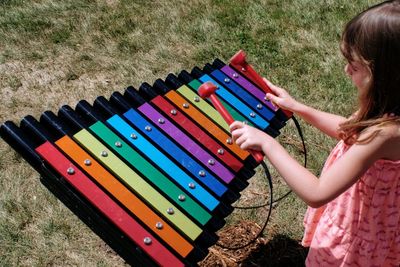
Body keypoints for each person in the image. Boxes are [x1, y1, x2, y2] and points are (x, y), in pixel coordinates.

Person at [230, 1, 400, 266]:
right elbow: (350, 130)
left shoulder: (386, 133)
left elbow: (318, 192)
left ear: (383, 75)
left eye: (354, 66)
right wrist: (299, 108)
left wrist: (269, 144)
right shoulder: (388, 110)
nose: (346, 71)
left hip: (356, 235)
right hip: (365, 217)